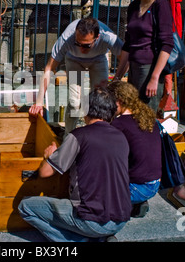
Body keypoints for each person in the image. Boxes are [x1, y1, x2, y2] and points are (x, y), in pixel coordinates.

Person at [18, 87, 131, 242]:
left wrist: (48, 156)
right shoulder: (121, 137)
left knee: (26, 207)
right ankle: (100, 238)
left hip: (91, 219)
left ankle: (85, 241)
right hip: (121, 218)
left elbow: (45, 172)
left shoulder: (79, 136)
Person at [29, 17, 123, 135]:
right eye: (77, 43)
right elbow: (49, 68)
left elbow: (125, 57)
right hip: (74, 61)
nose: (81, 48)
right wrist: (38, 102)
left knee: (99, 102)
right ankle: (68, 137)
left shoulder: (107, 36)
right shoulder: (67, 38)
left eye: (86, 45)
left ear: (97, 37)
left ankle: (96, 135)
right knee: (74, 103)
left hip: (98, 60)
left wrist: (115, 81)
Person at [113, 0, 174, 114]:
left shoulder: (161, 6)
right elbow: (128, 44)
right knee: (130, 113)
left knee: (144, 117)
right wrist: (118, 76)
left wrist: (154, 77)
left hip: (150, 69)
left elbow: (167, 44)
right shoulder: (134, 6)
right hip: (133, 67)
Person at [107, 80, 162, 218]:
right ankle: (137, 202)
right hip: (155, 184)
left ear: (119, 101)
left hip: (136, 186)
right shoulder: (148, 118)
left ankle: (125, 203)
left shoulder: (119, 124)